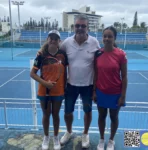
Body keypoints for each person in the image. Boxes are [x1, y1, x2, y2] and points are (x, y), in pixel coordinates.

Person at [59, 14, 100, 148]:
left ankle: (85, 134)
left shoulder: (94, 42)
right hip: (70, 85)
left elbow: (103, 57)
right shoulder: (66, 43)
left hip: (88, 86)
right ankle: (69, 131)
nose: (80, 28)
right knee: (67, 112)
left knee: (88, 111)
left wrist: (119, 51)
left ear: (87, 27)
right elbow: (55, 55)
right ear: (74, 27)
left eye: (83, 26)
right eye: (77, 25)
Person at [30, 30, 68, 150]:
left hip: (58, 91)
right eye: (51, 38)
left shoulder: (63, 55)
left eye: (55, 39)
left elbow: (65, 73)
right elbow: (32, 73)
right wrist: (45, 83)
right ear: (48, 39)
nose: (53, 40)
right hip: (44, 92)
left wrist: (65, 87)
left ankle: (56, 137)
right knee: (46, 115)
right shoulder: (41, 55)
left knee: (56, 115)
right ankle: (46, 137)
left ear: (59, 41)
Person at [93, 26, 128, 150]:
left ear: (114, 38)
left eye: (110, 36)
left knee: (114, 117)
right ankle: (102, 139)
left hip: (115, 93)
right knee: (101, 116)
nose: (107, 38)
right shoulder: (98, 54)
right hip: (101, 92)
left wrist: (122, 96)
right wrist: (94, 92)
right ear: (102, 38)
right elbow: (95, 74)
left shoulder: (121, 54)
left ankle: (111, 140)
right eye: (105, 36)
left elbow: (124, 77)